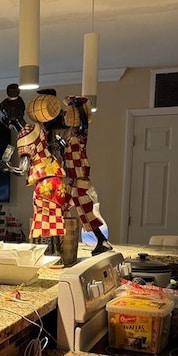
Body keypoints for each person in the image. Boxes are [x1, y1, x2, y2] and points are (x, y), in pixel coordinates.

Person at [0, 84, 67, 255]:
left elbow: (22, 169)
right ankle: (57, 254)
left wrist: (7, 168)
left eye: (4, 114)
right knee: (55, 218)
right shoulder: (39, 127)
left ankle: (44, 256)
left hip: (43, 181)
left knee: (41, 220)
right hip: (56, 178)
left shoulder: (24, 135)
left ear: (9, 115)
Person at [62, 95, 112, 255]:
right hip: (72, 179)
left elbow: (83, 122)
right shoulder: (70, 135)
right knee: (62, 206)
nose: (66, 115)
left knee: (85, 211)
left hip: (80, 179)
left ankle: (102, 240)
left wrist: (78, 107)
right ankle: (60, 241)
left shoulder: (81, 133)